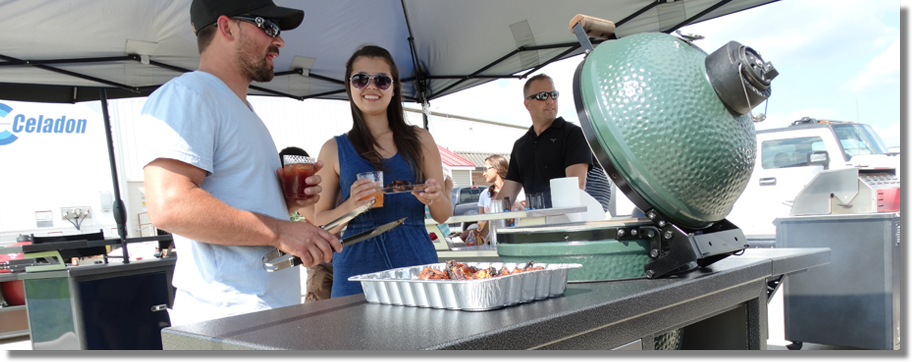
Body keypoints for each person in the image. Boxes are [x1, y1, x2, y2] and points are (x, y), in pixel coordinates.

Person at [139, 0, 341, 326]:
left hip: (256, 318)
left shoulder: (238, 107)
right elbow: (170, 205)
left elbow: (234, 199)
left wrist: (285, 201)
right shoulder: (189, 94)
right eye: (268, 27)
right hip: (228, 319)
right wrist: (280, 230)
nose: (279, 40)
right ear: (226, 27)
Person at [313, 45, 452, 298]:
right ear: (350, 86)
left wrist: (436, 197)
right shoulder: (333, 149)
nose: (371, 86)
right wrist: (351, 206)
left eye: (382, 80)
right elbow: (321, 225)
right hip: (356, 272)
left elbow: (443, 216)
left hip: (415, 264)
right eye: (360, 79)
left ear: (394, 87)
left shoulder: (420, 139)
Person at [495, 74, 593, 208]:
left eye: (554, 94)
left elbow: (576, 187)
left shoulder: (573, 134)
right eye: (542, 96)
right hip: (535, 224)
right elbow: (506, 195)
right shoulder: (520, 146)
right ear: (527, 104)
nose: (550, 100)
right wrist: (481, 228)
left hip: (566, 225)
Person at [280, 146, 334, 302]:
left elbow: (320, 220)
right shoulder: (293, 197)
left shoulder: (323, 187)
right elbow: (318, 220)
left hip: (338, 258)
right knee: (316, 317)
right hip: (319, 262)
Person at [460, 154, 524, 242]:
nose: (483, 173)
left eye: (486, 169)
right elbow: (481, 221)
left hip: (514, 241)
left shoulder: (517, 191)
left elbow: (529, 217)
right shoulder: (484, 194)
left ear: (497, 168)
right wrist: (473, 231)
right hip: (491, 242)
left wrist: (519, 206)